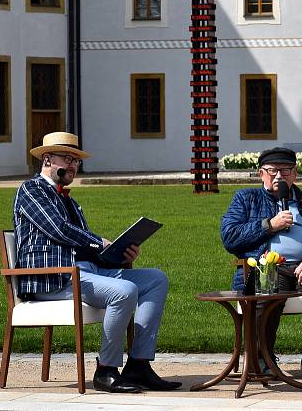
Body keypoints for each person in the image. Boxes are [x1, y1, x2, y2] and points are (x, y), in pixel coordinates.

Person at [13, 131, 181, 393]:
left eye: (76, 161)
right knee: (124, 291)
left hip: (85, 271)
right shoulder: (31, 190)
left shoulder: (70, 201)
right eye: (66, 159)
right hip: (55, 277)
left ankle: (138, 364)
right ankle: (106, 370)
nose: (72, 166)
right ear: (47, 159)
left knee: (156, 279)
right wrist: (98, 241)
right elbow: (58, 229)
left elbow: (84, 248)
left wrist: (119, 254)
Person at [221, 147, 302, 378]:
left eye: (286, 170)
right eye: (273, 171)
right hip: (267, 267)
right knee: (268, 296)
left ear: (295, 174)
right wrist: (269, 225)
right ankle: (263, 358)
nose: (279, 176)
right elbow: (230, 236)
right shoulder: (246, 198)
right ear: (261, 174)